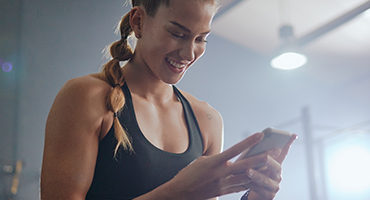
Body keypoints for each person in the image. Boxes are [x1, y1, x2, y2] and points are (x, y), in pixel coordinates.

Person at [40, 0, 297, 199]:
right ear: (138, 22)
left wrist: (253, 197)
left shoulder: (206, 120)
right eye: (177, 34)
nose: (188, 53)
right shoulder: (87, 97)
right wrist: (176, 194)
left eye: (200, 39)